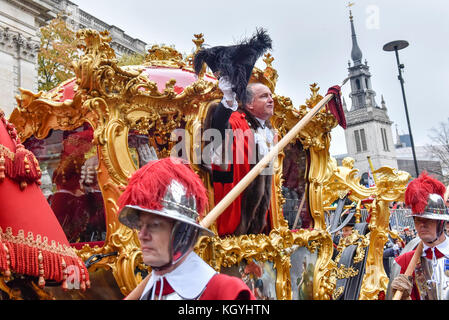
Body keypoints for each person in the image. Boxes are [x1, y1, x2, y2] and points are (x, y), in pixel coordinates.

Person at [118, 157, 255, 300]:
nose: (142, 235)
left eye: (154, 225)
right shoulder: (149, 293)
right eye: (140, 226)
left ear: (183, 232)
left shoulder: (228, 293)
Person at [209, 77, 276, 237]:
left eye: (271, 95)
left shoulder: (268, 130)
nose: (271, 100)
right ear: (249, 104)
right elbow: (219, 128)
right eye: (264, 96)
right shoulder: (237, 121)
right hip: (233, 220)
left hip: (259, 227)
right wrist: (227, 100)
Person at [390, 172, 449, 300]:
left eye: (428, 219)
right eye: (417, 219)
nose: (422, 224)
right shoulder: (403, 262)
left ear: (441, 221)